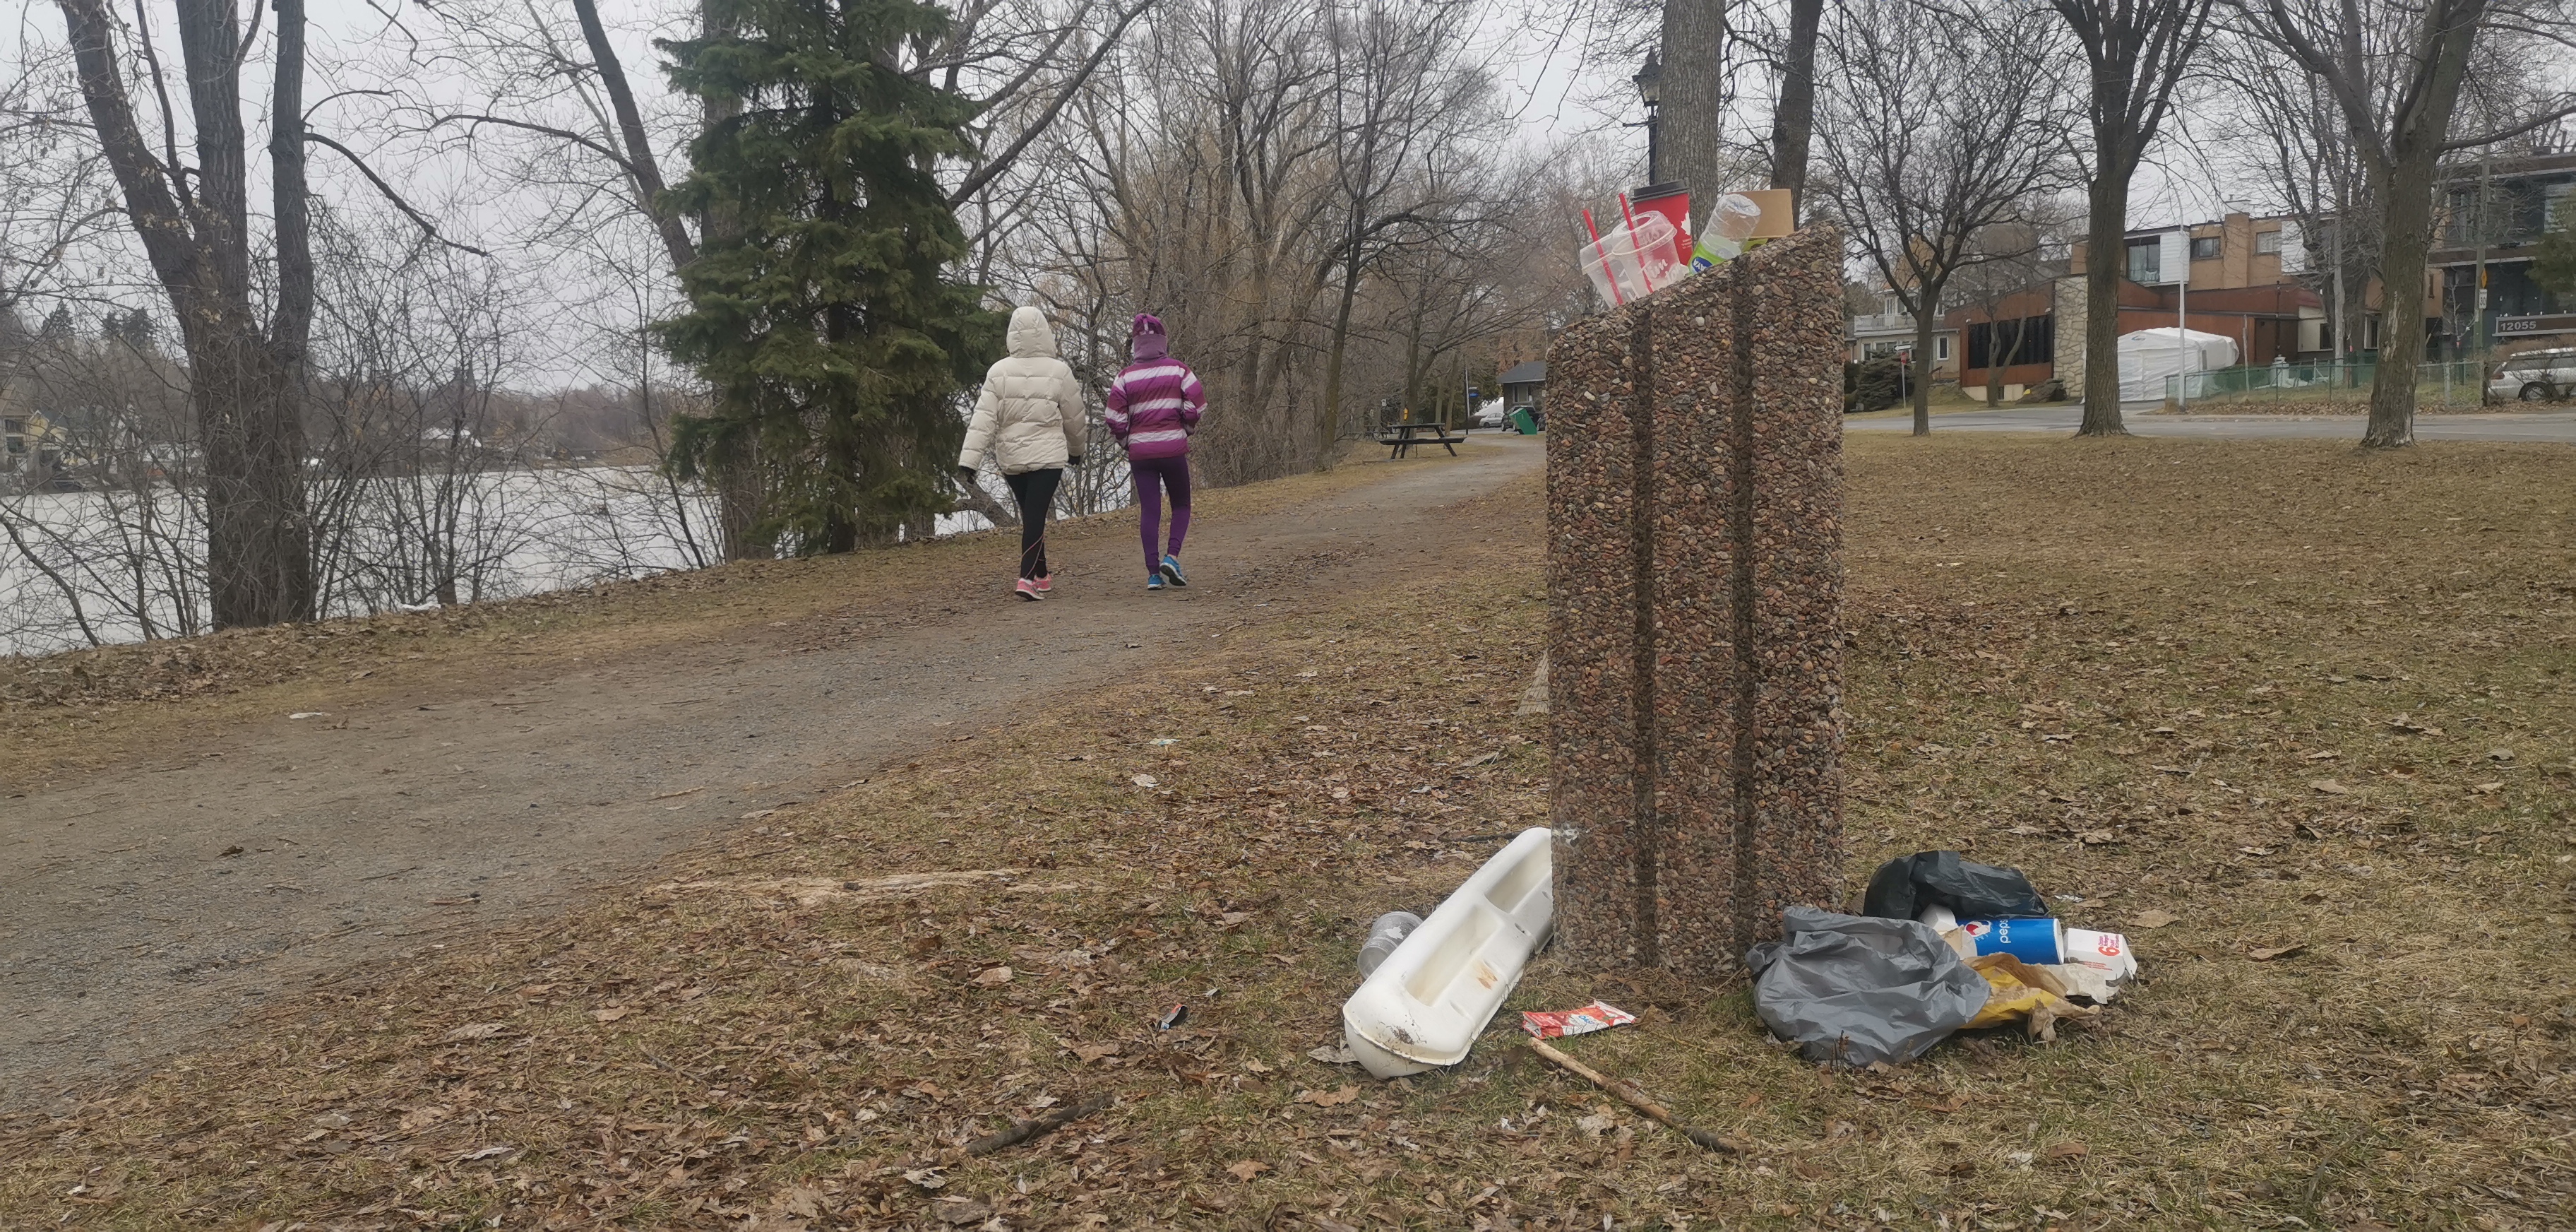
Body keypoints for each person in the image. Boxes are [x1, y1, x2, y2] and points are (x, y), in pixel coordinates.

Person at [959, 305, 1086, 600]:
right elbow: (1075, 417)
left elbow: (983, 420)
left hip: (1011, 458)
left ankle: (1041, 575)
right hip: (1049, 458)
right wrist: (1076, 450)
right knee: (1035, 517)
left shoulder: (998, 372)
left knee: (1033, 516)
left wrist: (969, 462)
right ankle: (1026, 578)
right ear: (1044, 332)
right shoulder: (1059, 371)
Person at [1103, 313, 1204, 590]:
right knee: (1181, 504)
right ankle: (1171, 557)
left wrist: (1127, 441)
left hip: (1141, 454)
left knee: (1150, 510)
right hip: (1173, 448)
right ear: (1163, 341)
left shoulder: (1124, 377)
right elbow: (1196, 406)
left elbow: (1114, 417)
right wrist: (1185, 428)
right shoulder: (1179, 371)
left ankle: (1153, 575)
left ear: (1136, 344)